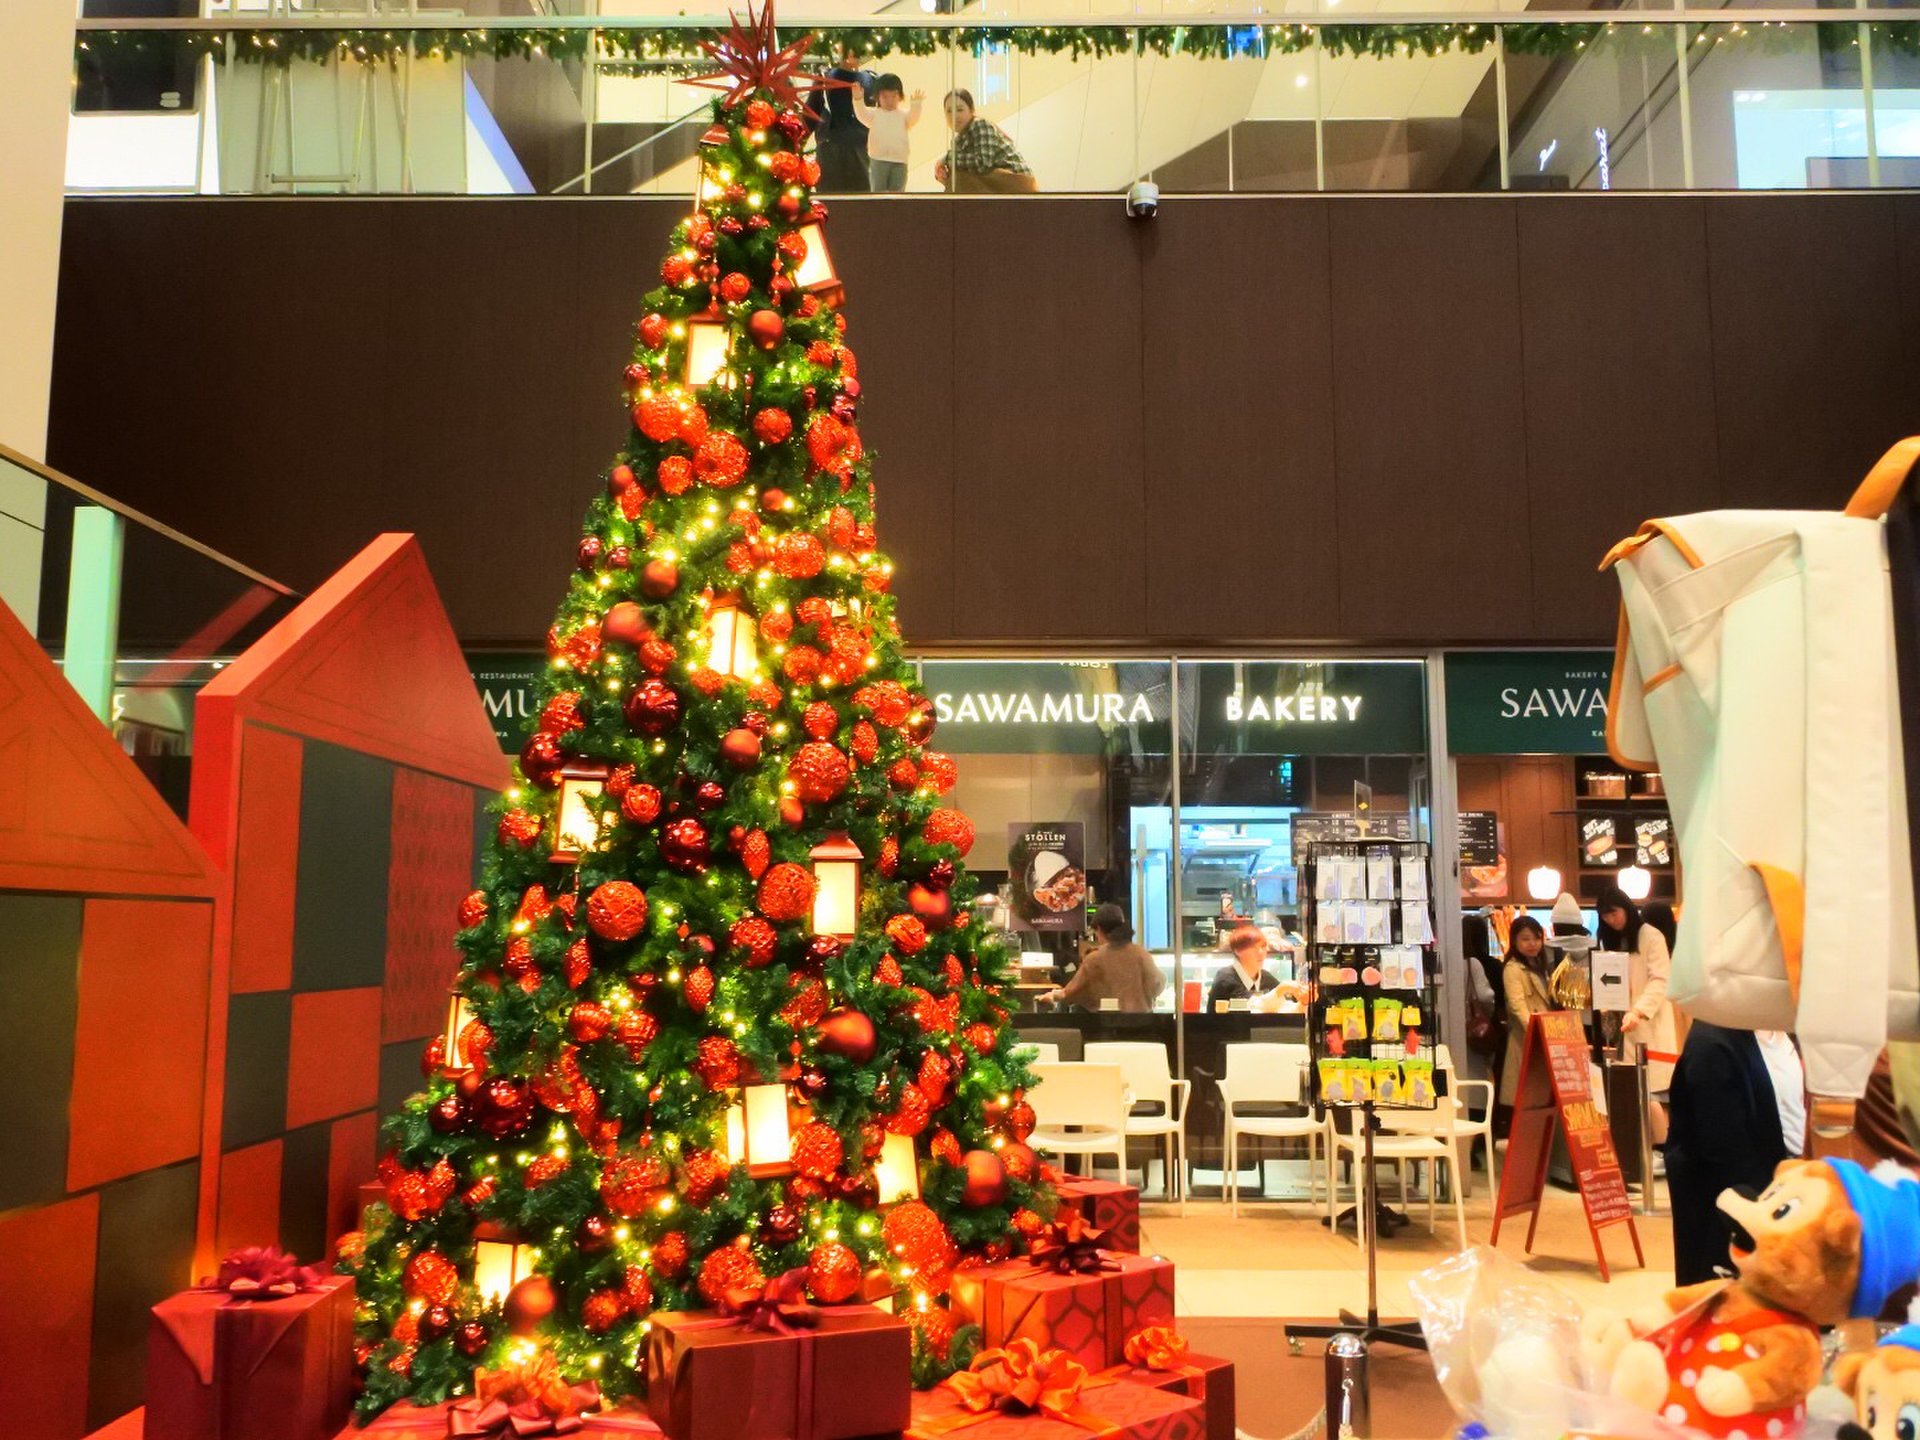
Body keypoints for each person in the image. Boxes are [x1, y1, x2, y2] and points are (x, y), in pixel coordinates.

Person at [1666, 1020, 1790, 1283]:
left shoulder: (1779, 1030)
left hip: (1780, 1189)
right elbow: (1723, 1145)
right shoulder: (1713, 1042)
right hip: (1736, 1207)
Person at [1598, 884, 1680, 1144]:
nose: (1612, 920)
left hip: (1649, 1026)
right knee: (1636, 1090)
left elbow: (1660, 980)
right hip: (1625, 1027)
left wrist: (1639, 1011)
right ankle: (1648, 1148)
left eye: (1615, 913)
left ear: (1626, 908)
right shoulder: (1613, 940)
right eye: (1606, 917)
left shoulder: (1651, 936)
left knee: (1651, 1092)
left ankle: (1662, 1148)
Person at [1040, 903, 1163, 1012]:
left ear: (1098, 929)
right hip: (1143, 1025)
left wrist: (1053, 995)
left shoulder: (1094, 959)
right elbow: (1158, 984)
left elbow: (1072, 993)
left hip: (1107, 1026)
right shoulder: (1141, 953)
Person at [1497, 915, 1553, 1132]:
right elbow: (1517, 1005)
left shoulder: (1541, 966)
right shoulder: (1513, 968)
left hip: (1544, 1037)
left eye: (1537, 938)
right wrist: (1536, 1032)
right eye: (1526, 939)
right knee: (1524, 1095)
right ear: (1515, 941)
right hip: (1526, 1039)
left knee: (1538, 1095)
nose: (1532, 944)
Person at [934, 90, 1034, 194]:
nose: (954, 115)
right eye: (949, 111)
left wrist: (947, 159)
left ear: (972, 110)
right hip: (1001, 190)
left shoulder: (980, 125)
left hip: (1017, 185)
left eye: (960, 109)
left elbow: (981, 164)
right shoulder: (958, 141)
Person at [807, 44, 872, 193]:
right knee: (833, 204)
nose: (853, 54)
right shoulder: (824, 78)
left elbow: (881, 119)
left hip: (860, 154)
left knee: (862, 206)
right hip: (832, 153)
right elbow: (809, 117)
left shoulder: (870, 80)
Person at [851, 75, 921, 193]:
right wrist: (858, 98)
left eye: (894, 96)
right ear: (877, 97)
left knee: (898, 194)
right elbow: (861, 114)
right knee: (878, 193)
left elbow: (913, 119)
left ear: (900, 97)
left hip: (900, 161)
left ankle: (896, 212)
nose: (889, 100)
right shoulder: (874, 114)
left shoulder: (903, 116)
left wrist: (916, 105)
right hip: (878, 160)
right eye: (884, 96)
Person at [1205, 925, 1281, 1011]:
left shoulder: (1268, 979)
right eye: (1253, 947)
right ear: (1238, 950)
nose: (1261, 952)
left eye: (1263, 947)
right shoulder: (1225, 978)